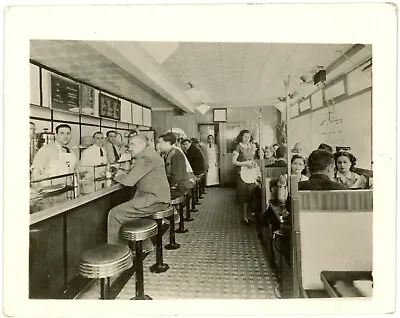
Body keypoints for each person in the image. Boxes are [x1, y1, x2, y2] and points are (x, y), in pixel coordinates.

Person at [107, 134, 171, 252]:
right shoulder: (149, 154)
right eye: (129, 144)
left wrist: (117, 175)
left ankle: (119, 253)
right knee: (129, 211)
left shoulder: (145, 158)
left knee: (115, 214)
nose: (129, 147)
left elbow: (128, 181)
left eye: (132, 144)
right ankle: (146, 247)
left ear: (142, 144)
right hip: (158, 197)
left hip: (155, 199)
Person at [232, 130, 260, 225]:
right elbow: (234, 162)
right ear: (241, 137)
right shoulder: (238, 147)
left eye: (248, 137)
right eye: (245, 137)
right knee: (243, 195)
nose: (246, 139)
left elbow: (252, 159)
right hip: (241, 172)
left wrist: (253, 164)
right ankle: (244, 217)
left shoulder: (251, 146)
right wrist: (245, 164)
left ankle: (249, 215)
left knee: (250, 193)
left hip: (250, 172)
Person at [158, 132, 192, 198]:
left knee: (153, 195)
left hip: (180, 188)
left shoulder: (176, 154)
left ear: (168, 143)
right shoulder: (168, 154)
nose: (158, 145)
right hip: (177, 186)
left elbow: (177, 176)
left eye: (160, 143)